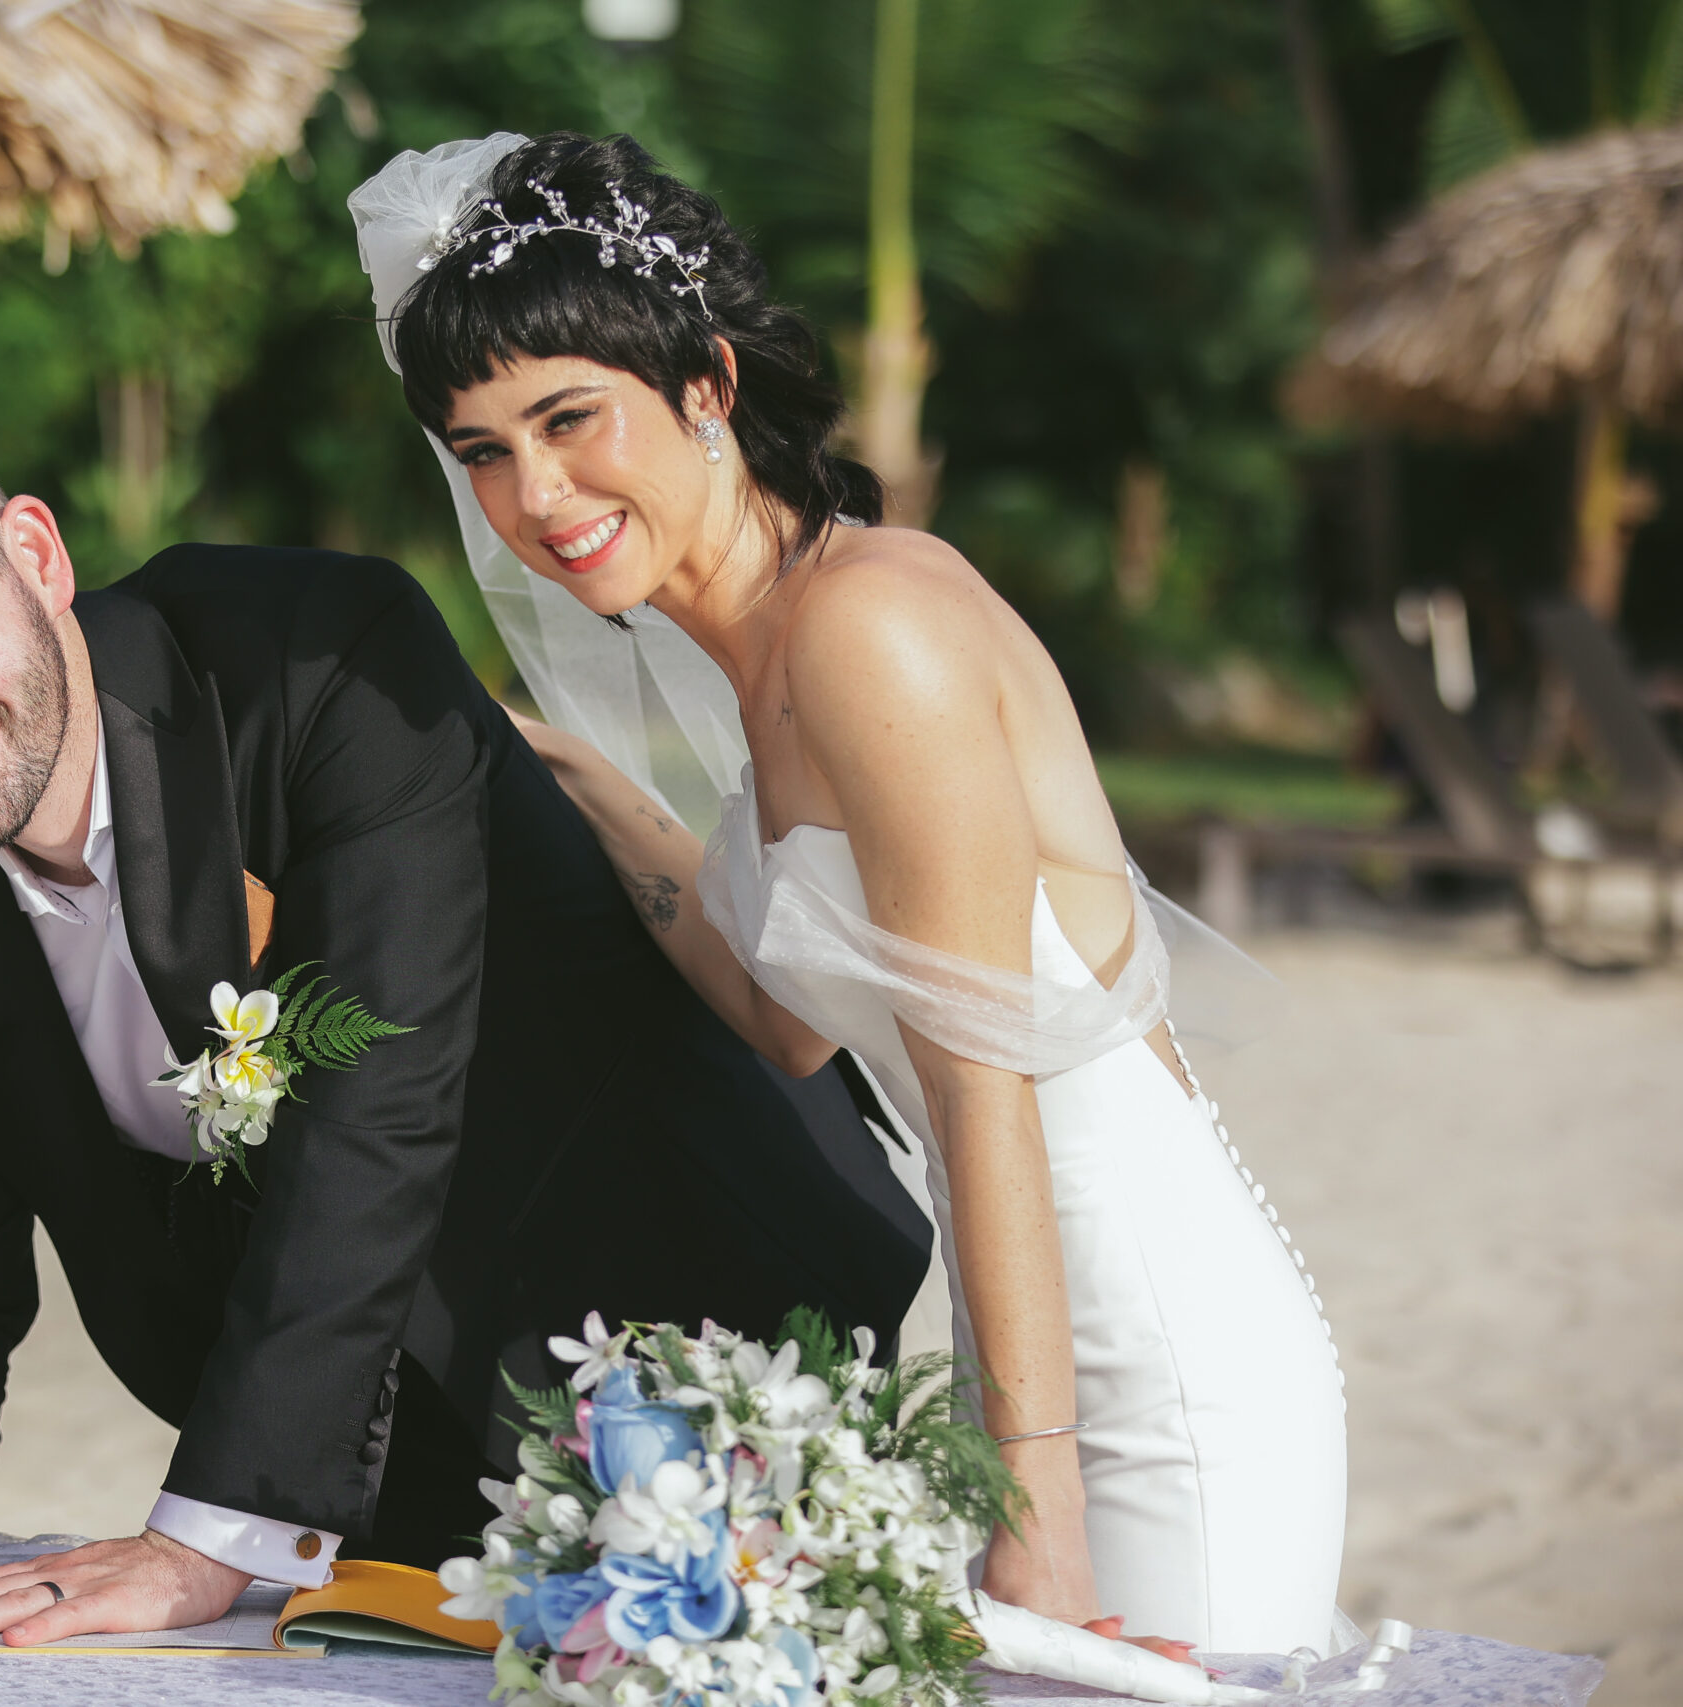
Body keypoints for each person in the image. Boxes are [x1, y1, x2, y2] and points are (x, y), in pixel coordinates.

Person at [356, 131, 1347, 1656]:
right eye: (482, 449)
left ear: (707, 384)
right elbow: (788, 1020)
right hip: (1019, 1368)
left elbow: (978, 1086)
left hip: (1154, 1379)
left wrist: (1034, 1510)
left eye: (568, 417)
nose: (535, 493)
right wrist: (583, 782)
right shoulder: (766, 656)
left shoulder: (871, 627)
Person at [0, 403, 931, 1645]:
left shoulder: (322, 656)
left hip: (702, 1343)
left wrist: (211, 1536)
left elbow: (379, 1109)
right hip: (378, 1484)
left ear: (34, 554)